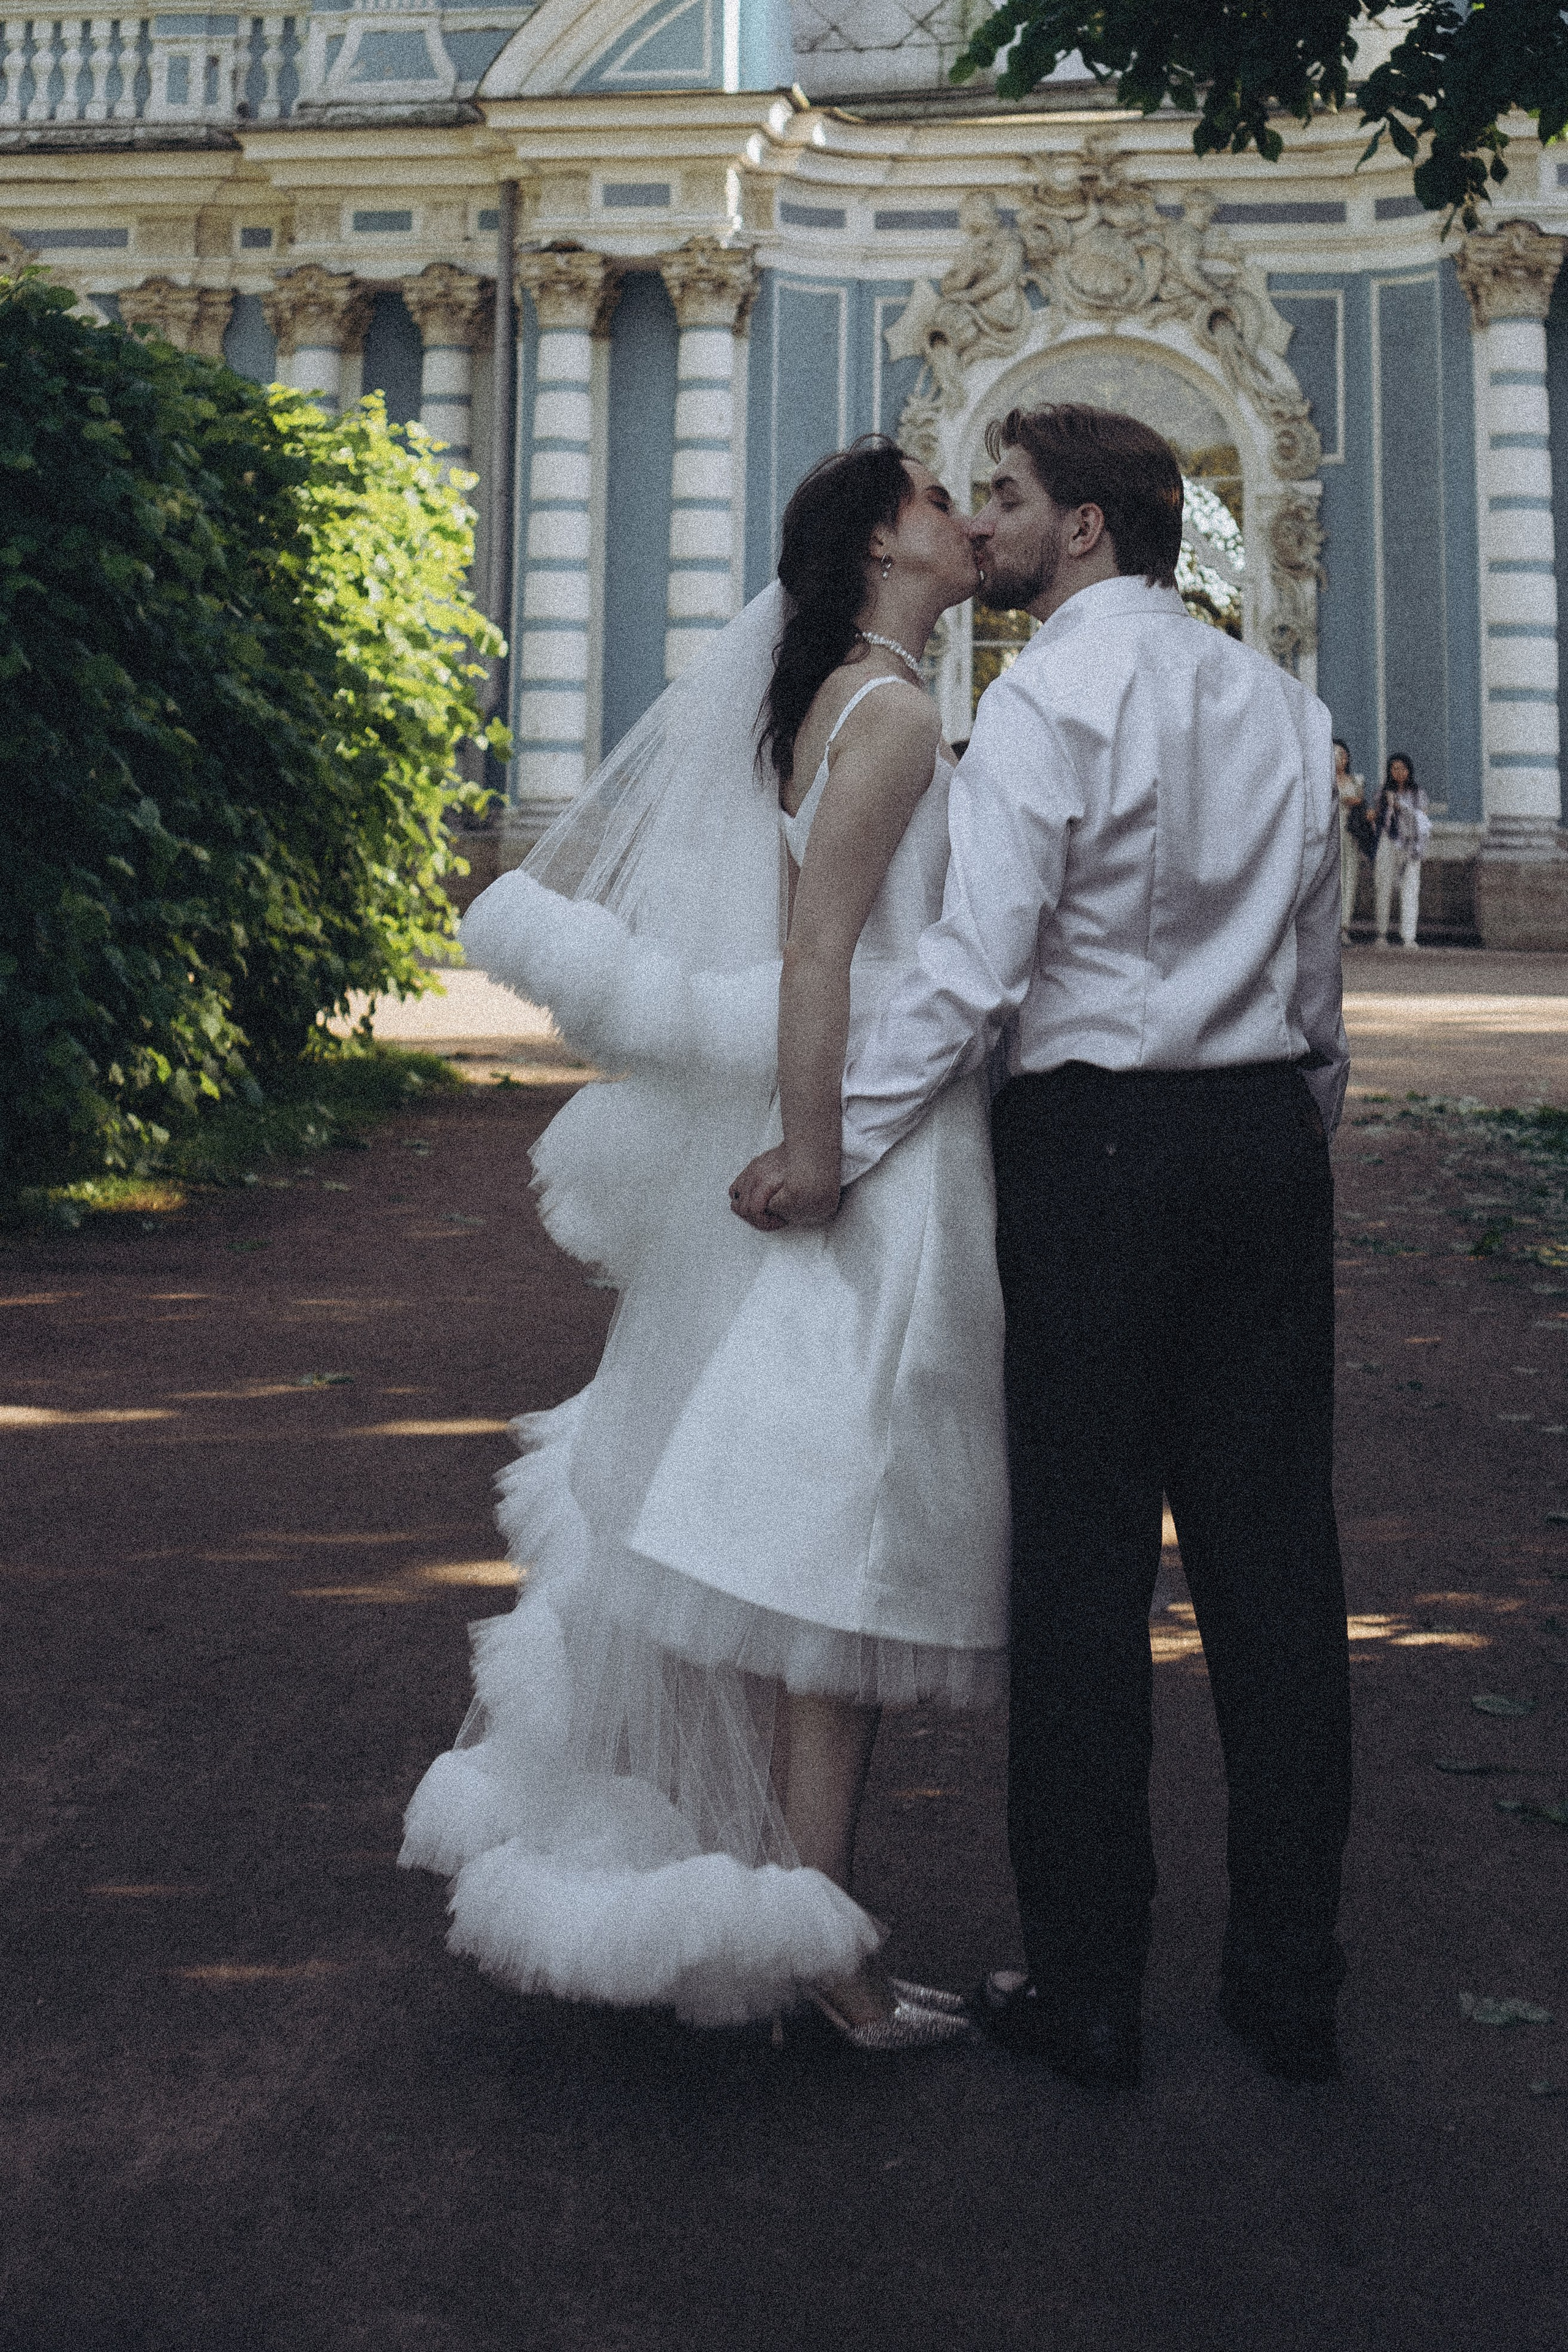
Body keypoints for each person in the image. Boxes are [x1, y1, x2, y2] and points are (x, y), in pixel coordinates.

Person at [734, 402, 1354, 2090]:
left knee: (1082, 1579)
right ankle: (1292, 1981)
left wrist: (831, 1147)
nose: (987, 527)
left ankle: (1090, 1990)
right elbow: (1317, 990)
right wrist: (1294, 1124)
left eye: (1005, 501)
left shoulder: (1039, 707)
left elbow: (972, 972)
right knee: (1280, 1569)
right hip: (1258, 1151)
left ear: (1086, 529)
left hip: (1091, 1155)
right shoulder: (1287, 708)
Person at [399, 438, 1009, 2047]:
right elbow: (819, 961)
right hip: (874, 1166)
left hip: (876, 1144)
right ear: (885, 544)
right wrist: (814, 1150)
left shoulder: (850, 704)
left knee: (807, 1562)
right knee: (839, 1559)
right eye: (939, 499)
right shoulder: (884, 718)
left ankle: (815, 1920)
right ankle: (831, 1951)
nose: (965, 518)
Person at [1371, 752, 1429, 950]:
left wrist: (1399, 805)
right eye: (1394, 769)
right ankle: (1381, 933)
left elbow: (1422, 818)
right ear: (1389, 771)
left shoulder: (1417, 793)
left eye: (1403, 768)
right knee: (1383, 886)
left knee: (1411, 888)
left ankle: (1409, 936)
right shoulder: (1382, 792)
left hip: (1410, 844)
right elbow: (1376, 817)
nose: (1399, 773)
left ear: (1409, 770)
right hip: (1388, 841)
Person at [1333, 737, 1367, 942]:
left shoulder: (1356, 781)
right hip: (1330, 835)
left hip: (1350, 834)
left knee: (1349, 878)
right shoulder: (1323, 780)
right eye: (1334, 754)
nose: (1338, 759)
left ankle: (1344, 926)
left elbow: (1363, 804)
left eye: (1342, 754)